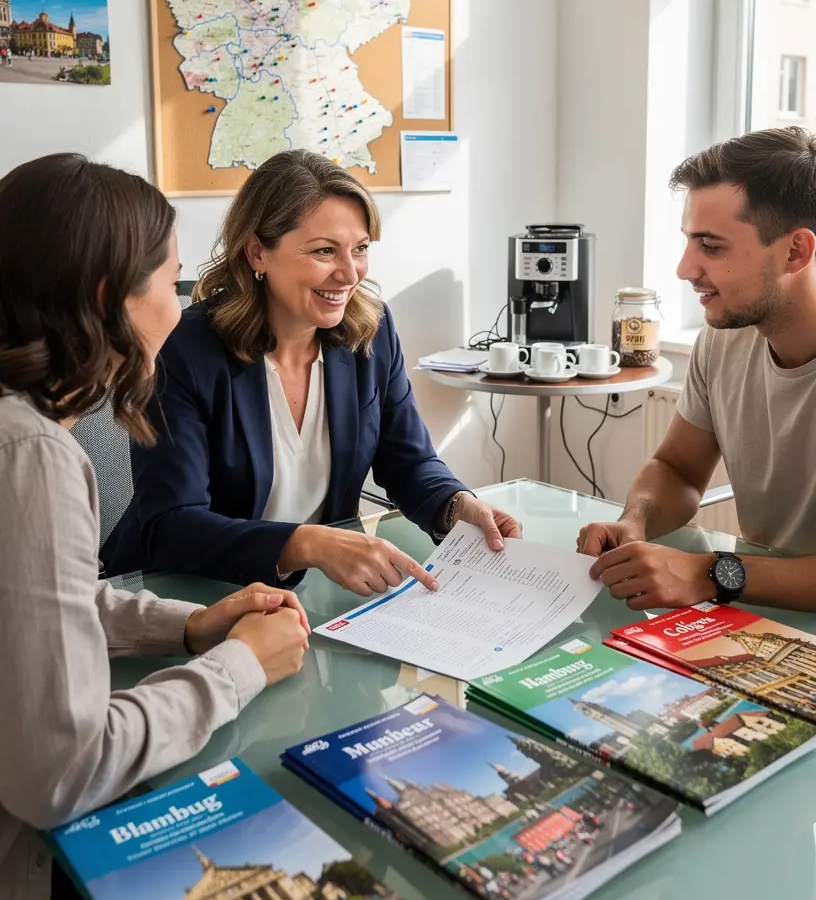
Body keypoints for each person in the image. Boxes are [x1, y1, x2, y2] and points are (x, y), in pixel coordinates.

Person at [0, 154, 311, 900]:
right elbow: (61, 775)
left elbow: (39, 596)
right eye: (170, 283)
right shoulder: (31, 455)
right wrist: (241, 666)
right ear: (109, 299)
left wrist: (187, 626)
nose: (180, 307)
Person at [102, 150, 521, 593]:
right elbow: (172, 524)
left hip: (311, 592)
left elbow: (408, 461)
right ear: (258, 253)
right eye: (324, 251)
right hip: (178, 593)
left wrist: (458, 505)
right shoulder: (184, 347)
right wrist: (309, 544)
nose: (349, 274)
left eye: (359, 250)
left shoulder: (372, 332)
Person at [578, 125, 816, 612]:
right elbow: (678, 469)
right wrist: (636, 519)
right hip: (759, 615)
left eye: (711, 246)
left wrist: (710, 573)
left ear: (795, 252)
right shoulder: (722, 340)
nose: (685, 269)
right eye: (689, 241)